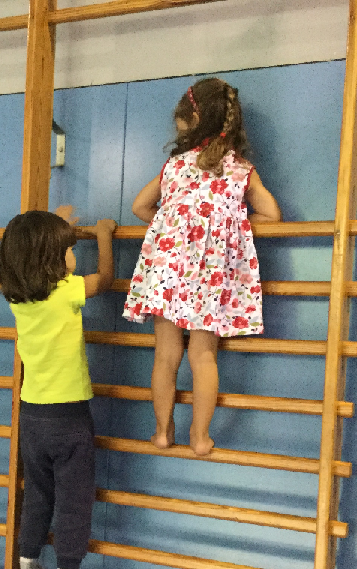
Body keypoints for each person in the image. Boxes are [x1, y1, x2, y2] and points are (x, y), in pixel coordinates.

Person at [124, 77, 282, 456]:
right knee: (203, 355)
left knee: (166, 354)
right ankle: (199, 437)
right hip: (211, 271)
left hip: (168, 267)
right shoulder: (240, 169)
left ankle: (162, 432)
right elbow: (272, 214)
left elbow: (139, 206)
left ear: (193, 119)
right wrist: (232, 225)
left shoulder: (174, 166)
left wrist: (172, 225)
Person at [0, 207, 116, 569]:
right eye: (69, 249)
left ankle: (28, 562)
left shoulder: (17, 296)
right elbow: (106, 280)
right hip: (68, 415)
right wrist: (104, 235)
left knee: (39, 492)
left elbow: (24, 243)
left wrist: (56, 226)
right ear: (54, 259)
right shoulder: (66, 291)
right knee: (74, 498)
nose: (73, 255)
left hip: (31, 413)